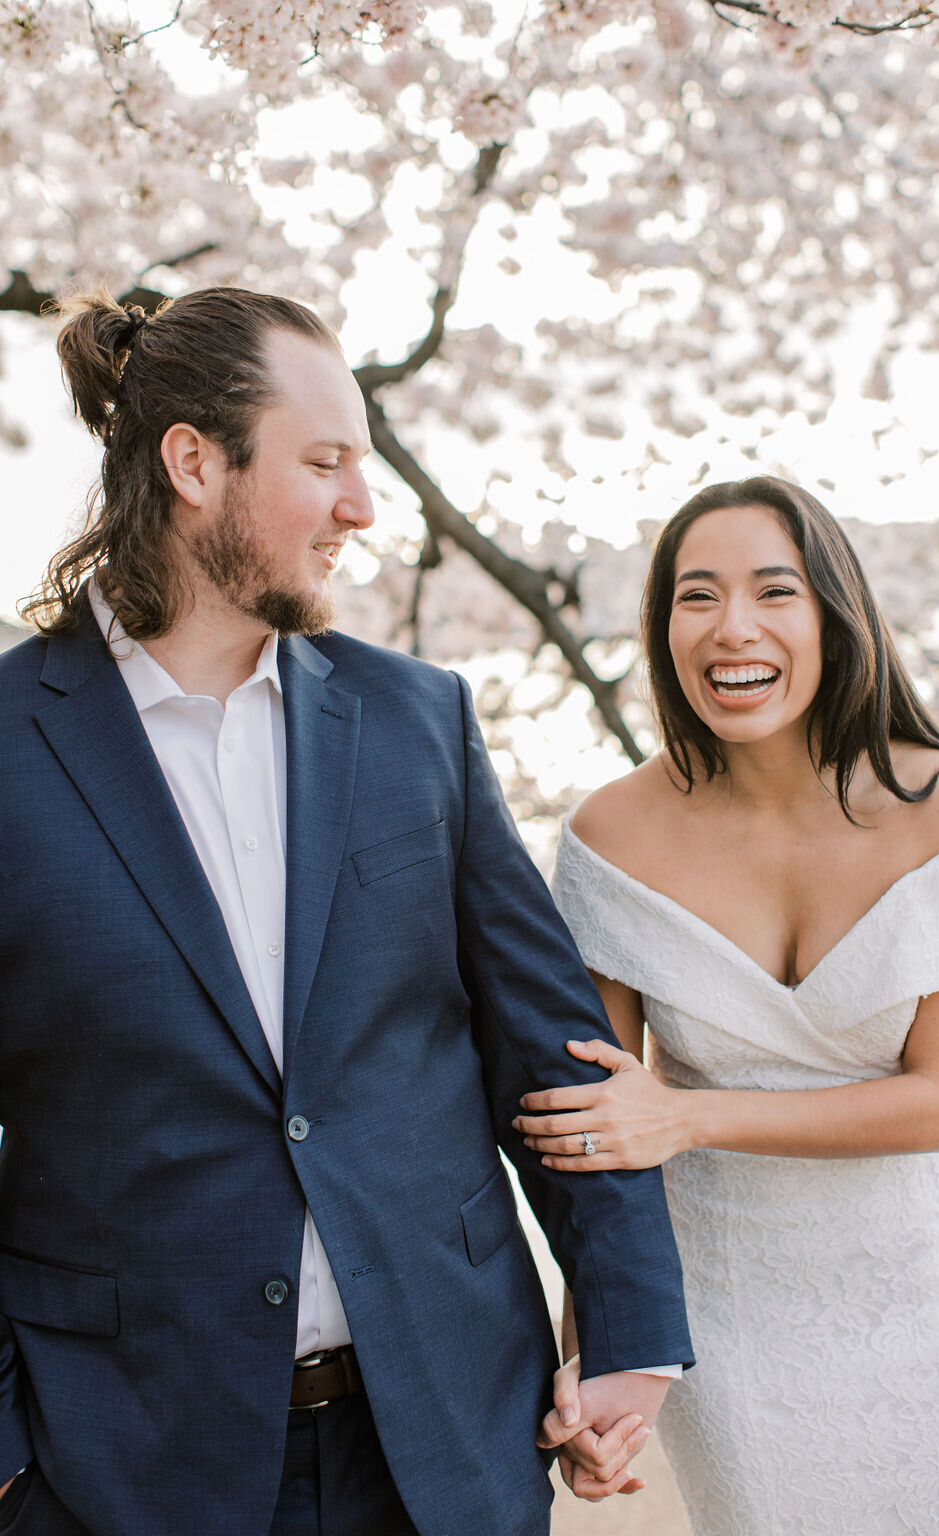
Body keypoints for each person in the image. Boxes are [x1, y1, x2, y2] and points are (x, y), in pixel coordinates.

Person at [0, 287, 694, 1536]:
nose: (362, 508)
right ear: (194, 462)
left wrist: (631, 1334)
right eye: (324, 463)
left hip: (444, 1440)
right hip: (119, 1466)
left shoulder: (418, 721)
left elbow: (553, 1056)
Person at [515, 476, 939, 1534]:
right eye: (695, 596)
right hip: (733, 1317)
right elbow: (604, 1135)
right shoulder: (610, 841)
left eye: (772, 591)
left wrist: (691, 1114)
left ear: (833, 614)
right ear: (662, 629)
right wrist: (598, 1354)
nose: (731, 628)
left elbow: (937, 1105)